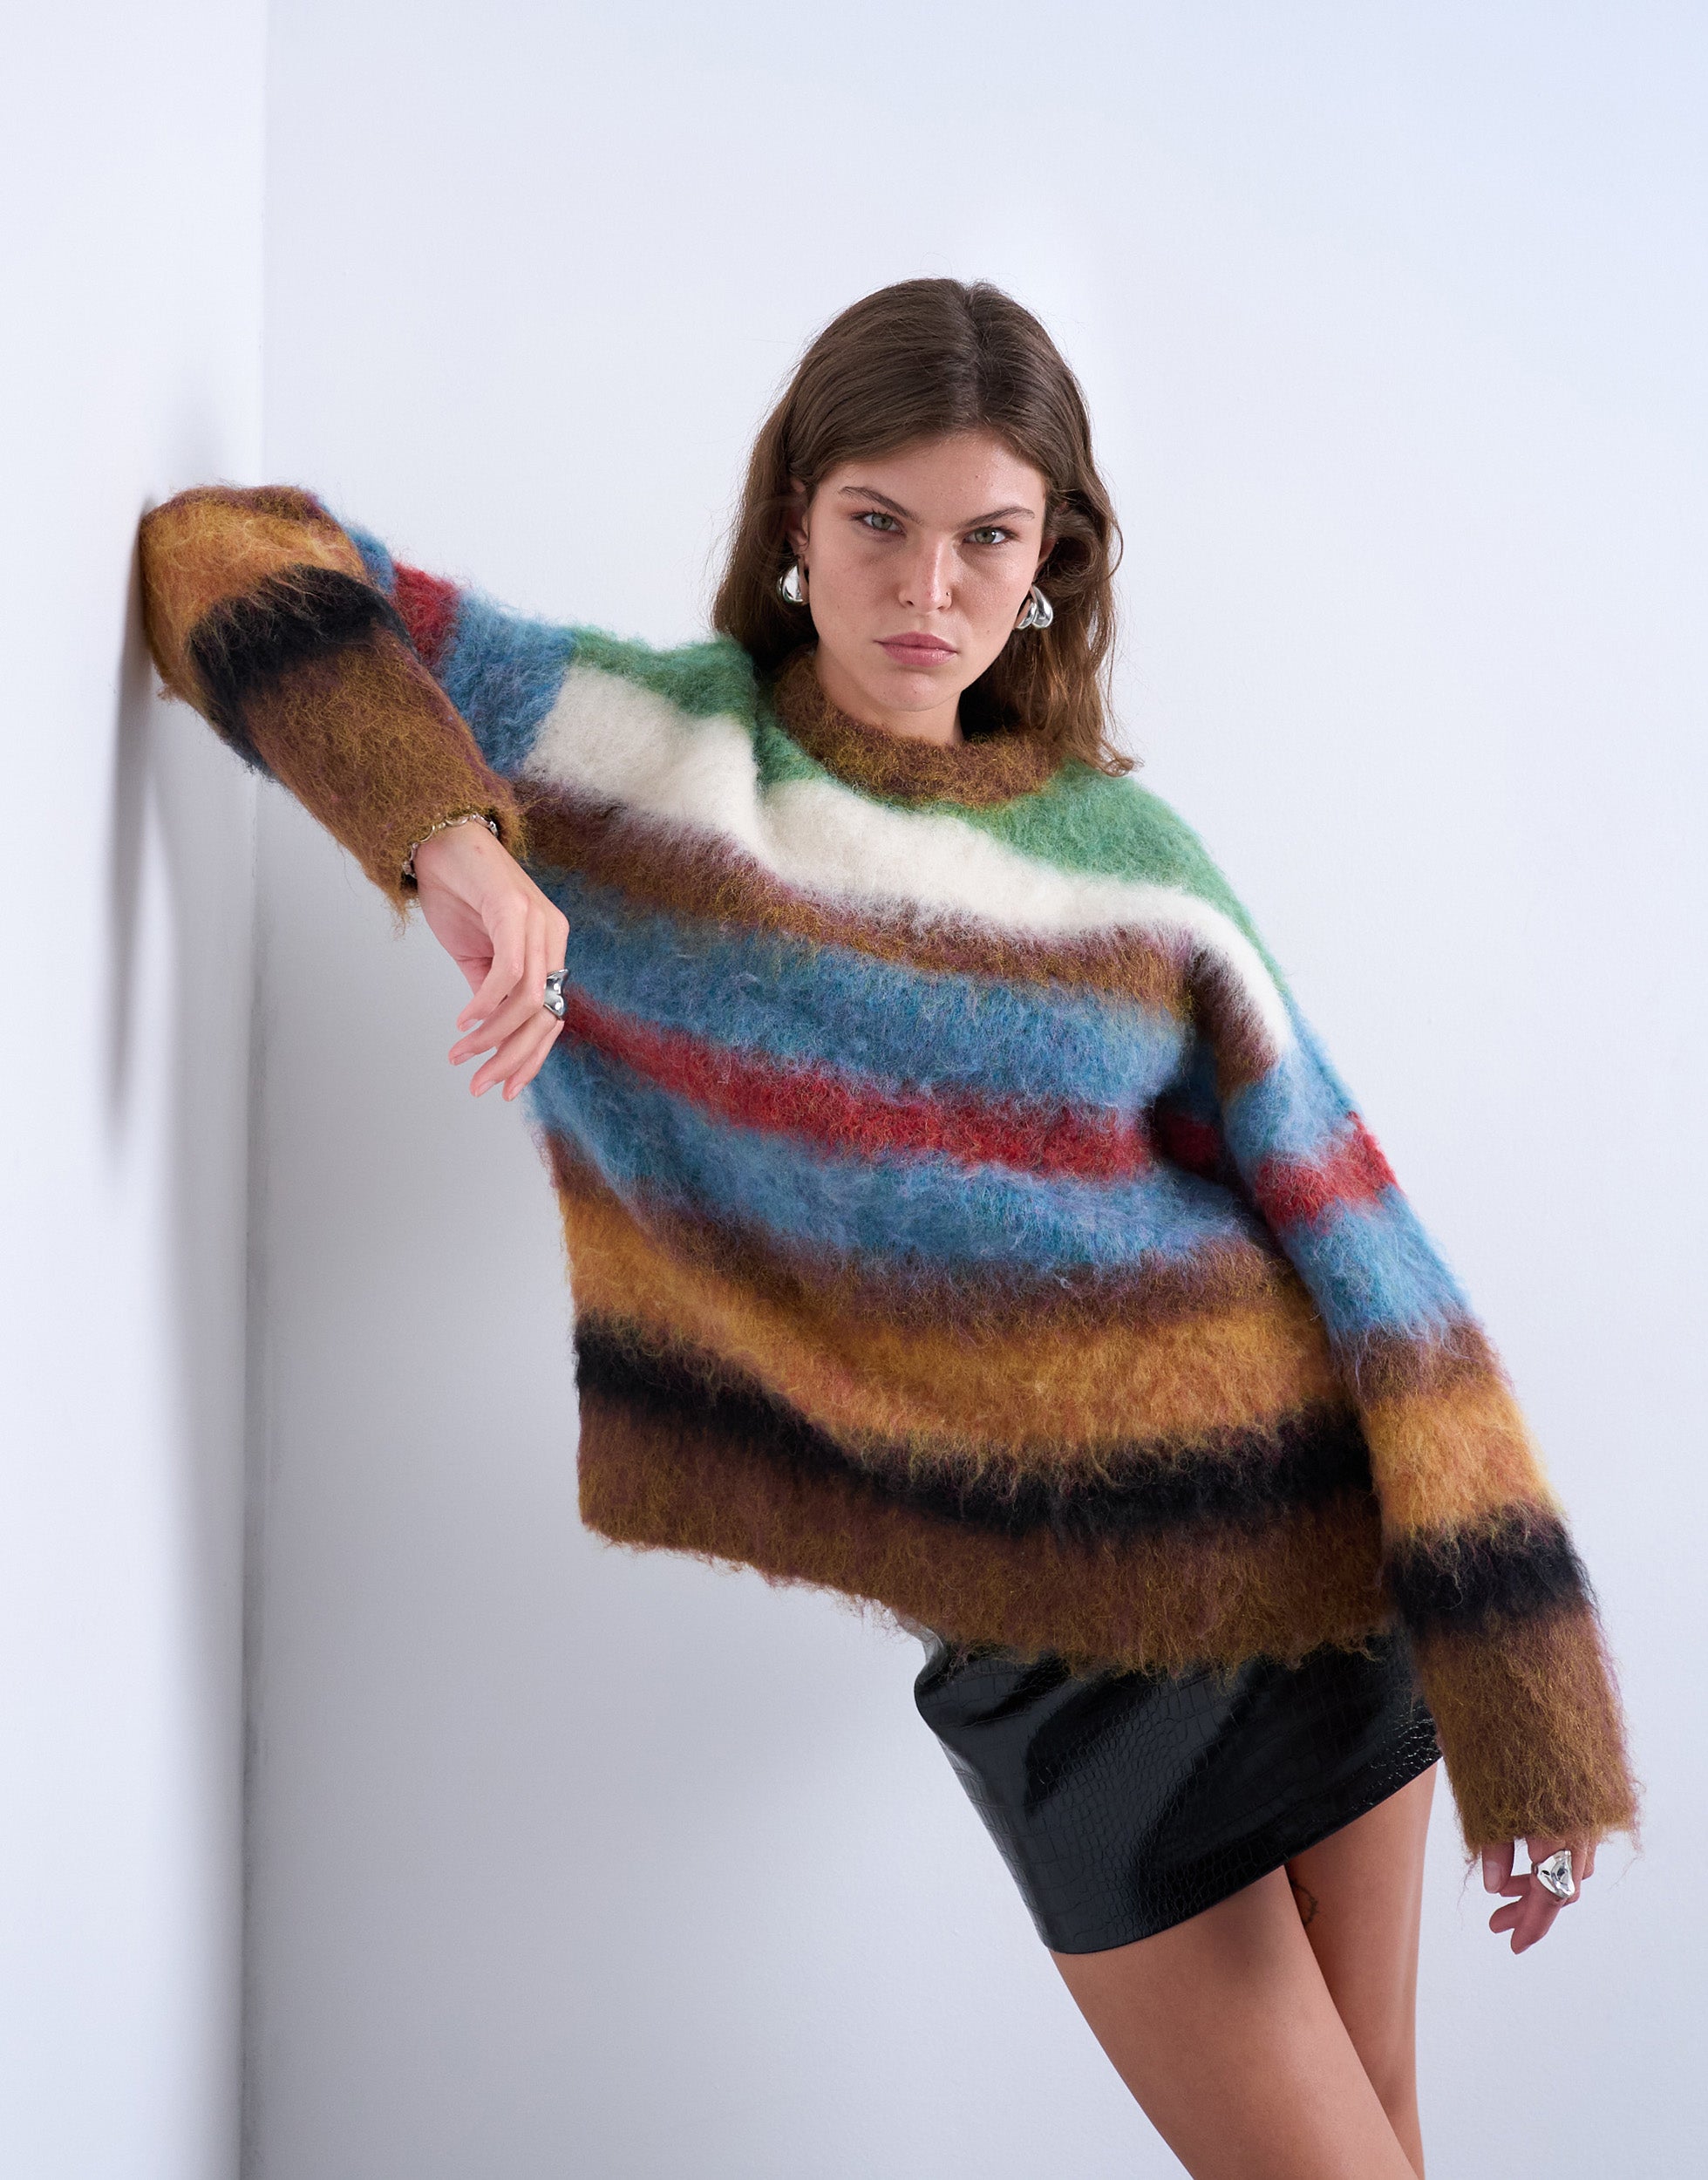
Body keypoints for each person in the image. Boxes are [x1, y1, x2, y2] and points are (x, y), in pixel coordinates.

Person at [137, 277, 1637, 2179]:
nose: (930, 586)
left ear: (1049, 561)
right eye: (878, 520)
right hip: (1053, 1662)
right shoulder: (642, 754)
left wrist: (1528, 1695)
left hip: (1314, 1570)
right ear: (796, 515)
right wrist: (448, 834)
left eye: (988, 536)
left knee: (1381, 2147)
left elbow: (1368, 1252)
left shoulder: (1133, 866)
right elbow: (215, 551)